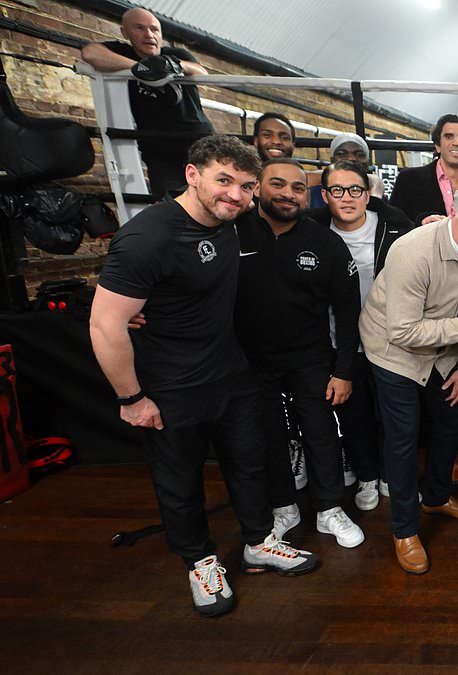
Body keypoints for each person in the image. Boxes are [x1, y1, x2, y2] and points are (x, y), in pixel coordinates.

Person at [89, 135, 317, 618]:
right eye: (224, 180)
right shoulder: (148, 237)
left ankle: (258, 542)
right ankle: (200, 561)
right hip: (170, 386)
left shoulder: (231, 222)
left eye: (246, 186)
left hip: (231, 374)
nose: (236, 194)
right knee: (179, 482)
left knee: (250, 464)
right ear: (192, 175)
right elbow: (105, 324)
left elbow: (299, 208)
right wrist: (131, 398)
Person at [360, 184, 458, 574]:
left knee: (452, 419)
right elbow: (402, 331)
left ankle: (437, 496)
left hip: (448, 348)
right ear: (452, 215)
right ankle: (404, 530)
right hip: (394, 353)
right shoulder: (412, 251)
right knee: (403, 438)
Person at [232, 159, 363, 549]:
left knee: (321, 433)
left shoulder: (325, 243)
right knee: (268, 435)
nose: (288, 194)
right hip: (251, 360)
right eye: (278, 184)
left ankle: (329, 509)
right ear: (257, 188)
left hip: (310, 356)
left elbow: (348, 310)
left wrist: (344, 370)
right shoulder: (231, 232)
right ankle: (283, 506)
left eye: (298, 188)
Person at [305, 161, 414, 510]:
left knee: (392, 416)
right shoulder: (313, 232)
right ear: (325, 196)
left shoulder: (394, 227)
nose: (347, 197)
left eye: (355, 190)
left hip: (389, 340)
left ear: (367, 195)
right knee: (355, 416)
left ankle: (390, 475)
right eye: (337, 190)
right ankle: (367, 475)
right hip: (341, 343)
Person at [81, 7, 213, 196]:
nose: (149, 35)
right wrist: (142, 68)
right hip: (159, 150)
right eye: (139, 28)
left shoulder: (175, 53)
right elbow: (90, 53)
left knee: (211, 195)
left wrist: (173, 65)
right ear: (125, 32)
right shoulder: (124, 53)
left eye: (154, 29)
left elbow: (202, 72)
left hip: (198, 141)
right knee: (171, 204)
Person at [390, 114, 458, 224]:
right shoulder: (408, 180)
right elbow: (392, 225)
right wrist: (421, 224)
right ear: (438, 146)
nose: (456, 143)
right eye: (449, 137)